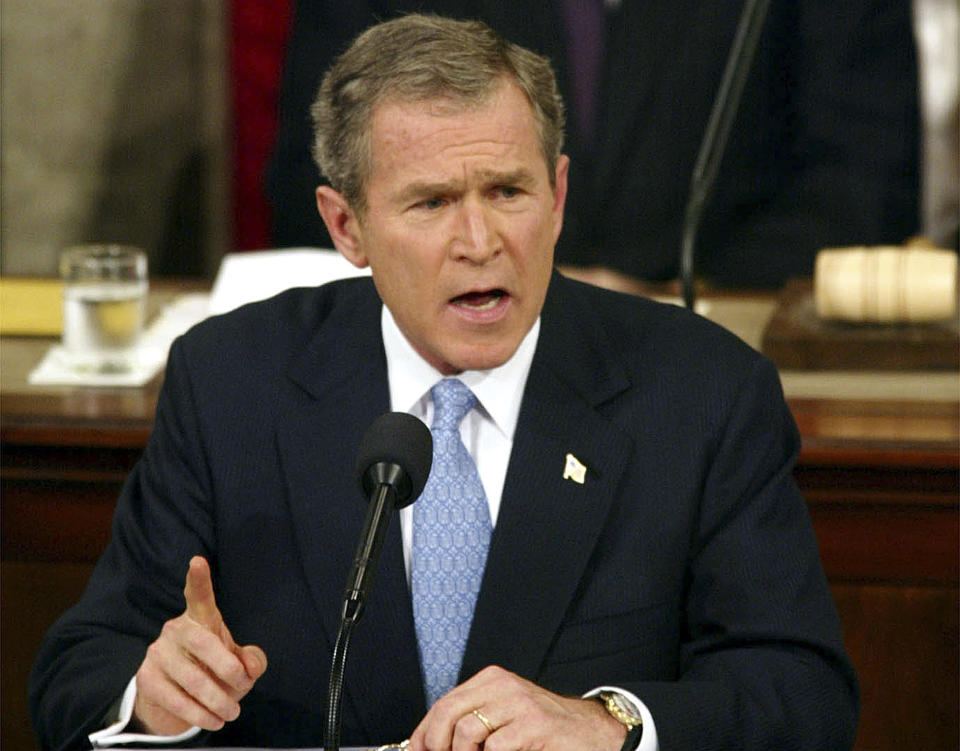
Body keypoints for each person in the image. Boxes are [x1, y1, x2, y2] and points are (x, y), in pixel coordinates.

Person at [30, 14, 857, 751]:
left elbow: (803, 693)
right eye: (430, 202)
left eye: (508, 191)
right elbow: (78, 672)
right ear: (345, 226)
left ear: (559, 195)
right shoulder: (233, 383)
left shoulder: (704, 394)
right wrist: (152, 694)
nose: (480, 239)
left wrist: (615, 722)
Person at [267, 1, 921, 289]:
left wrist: (656, 298)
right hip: (447, 358)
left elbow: (868, 184)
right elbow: (318, 176)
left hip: (724, 338)